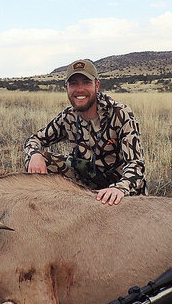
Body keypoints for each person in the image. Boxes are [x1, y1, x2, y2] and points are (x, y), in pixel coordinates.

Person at [24, 59, 147, 206]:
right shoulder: (67, 117)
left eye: (86, 82)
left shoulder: (120, 113)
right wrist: (35, 154)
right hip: (87, 179)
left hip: (120, 185)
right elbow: (34, 140)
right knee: (36, 160)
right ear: (66, 88)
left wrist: (120, 188)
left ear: (97, 85)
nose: (80, 89)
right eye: (74, 83)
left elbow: (135, 164)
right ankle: (47, 209)